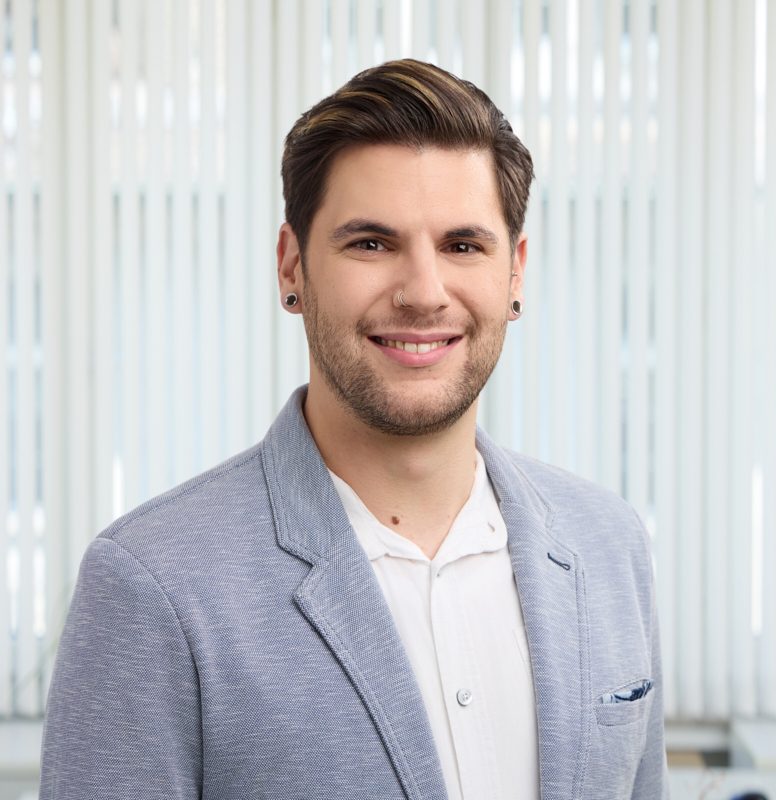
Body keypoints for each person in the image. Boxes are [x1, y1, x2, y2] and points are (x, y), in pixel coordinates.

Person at [40, 59, 667, 799]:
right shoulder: (152, 586)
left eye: (463, 246)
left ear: (515, 273)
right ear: (291, 267)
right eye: (371, 243)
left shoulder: (609, 544)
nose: (424, 293)